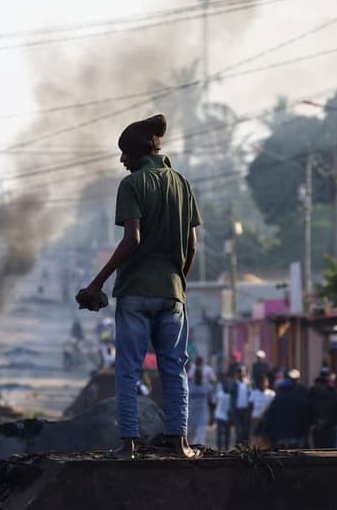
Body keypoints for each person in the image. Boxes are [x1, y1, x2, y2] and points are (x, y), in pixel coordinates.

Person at [76, 113, 202, 459]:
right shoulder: (182, 184)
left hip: (134, 292)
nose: (121, 160)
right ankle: (180, 443)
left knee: (129, 369)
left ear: (136, 154)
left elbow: (133, 237)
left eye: (124, 154)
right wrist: (179, 283)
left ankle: (128, 445)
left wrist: (97, 282)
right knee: (174, 368)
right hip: (172, 294)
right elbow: (192, 245)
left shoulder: (131, 185)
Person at [262, 369, 308, 449]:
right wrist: (305, 433)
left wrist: (266, 431)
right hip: (296, 435)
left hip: (280, 436)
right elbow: (304, 417)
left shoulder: (277, 399)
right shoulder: (299, 399)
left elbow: (270, 417)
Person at [307, 368, 337, 449]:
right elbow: (308, 411)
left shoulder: (332, 393)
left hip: (329, 430)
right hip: (317, 430)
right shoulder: (312, 394)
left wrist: (327, 422)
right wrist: (315, 422)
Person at [187, 365, 211, 447]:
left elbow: (211, 402)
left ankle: (201, 453)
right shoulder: (189, 386)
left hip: (203, 413)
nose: (198, 376)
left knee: (201, 435)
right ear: (194, 375)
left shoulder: (206, 386)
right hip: (191, 413)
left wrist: (213, 416)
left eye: (200, 375)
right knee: (190, 435)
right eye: (197, 374)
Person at [249, 374, 276, 445]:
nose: (264, 384)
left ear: (268, 383)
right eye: (262, 382)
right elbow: (250, 406)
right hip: (256, 418)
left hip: (267, 419)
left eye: (265, 382)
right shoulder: (254, 393)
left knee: (266, 437)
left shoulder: (272, 394)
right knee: (255, 436)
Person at [229, 366, 252, 447]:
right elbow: (229, 391)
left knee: (246, 430)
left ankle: (246, 447)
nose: (241, 374)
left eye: (243, 372)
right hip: (237, 410)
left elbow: (251, 396)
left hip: (246, 410)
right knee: (239, 431)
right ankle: (238, 447)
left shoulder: (248, 383)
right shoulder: (234, 383)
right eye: (240, 372)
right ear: (237, 374)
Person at [213, 379, 232, 450]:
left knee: (226, 434)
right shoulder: (220, 394)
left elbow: (214, 402)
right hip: (220, 416)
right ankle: (220, 448)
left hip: (224, 417)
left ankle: (225, 448)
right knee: (221, 434)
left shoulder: (226, 395)